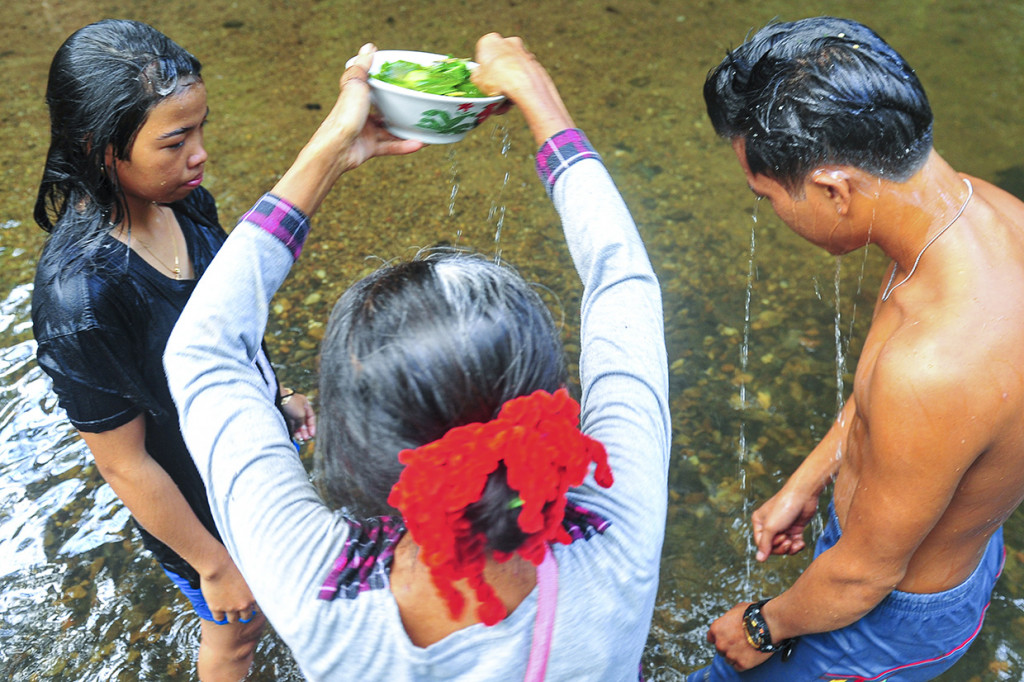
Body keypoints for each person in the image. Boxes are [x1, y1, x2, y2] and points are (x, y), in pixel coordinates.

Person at [163, 34, 670, 680]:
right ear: (552, 425)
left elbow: (203, 351)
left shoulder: (320, 588)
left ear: (351, 450)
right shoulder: (615, 531)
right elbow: (622, 281)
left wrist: (331, 152)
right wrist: (542, 102)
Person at [690, 15, 1024, 682]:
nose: (767, 213)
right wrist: (809, 477)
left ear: (835, 190)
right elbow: (889, 401)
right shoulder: (977, 212)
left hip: (885, 618)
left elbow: (863, 576)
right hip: (934, 541)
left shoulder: (934, 365)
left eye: (765, 197)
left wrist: (762, 624)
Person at [30, 19, 314, 681]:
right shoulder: (82, 299)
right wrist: (213, 564)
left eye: (201, 129)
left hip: (242, 454)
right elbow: (125, 466)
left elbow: (228, 320)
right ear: (102, 150)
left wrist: (274, 396)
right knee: (236, 634)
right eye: (176, 140)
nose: (200, 156)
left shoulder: (186, 204)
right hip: (190, 503)